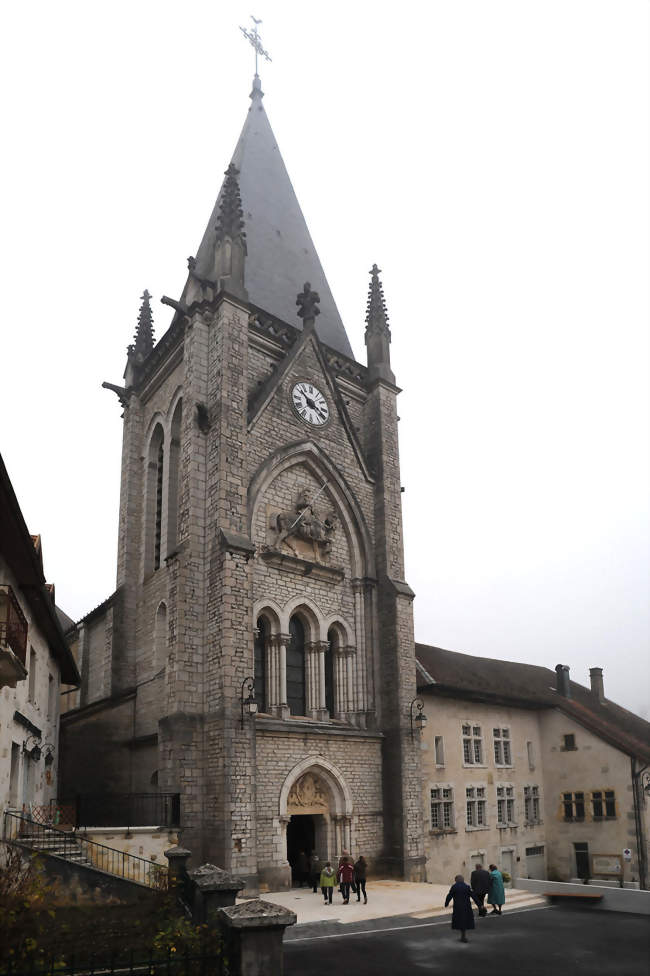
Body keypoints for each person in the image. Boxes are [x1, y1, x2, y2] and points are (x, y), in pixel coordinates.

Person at [445, 874, 480, 943]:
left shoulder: (454, 887)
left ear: (456, 880)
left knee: (460, 920)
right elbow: (473, 896)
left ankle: (463, 936)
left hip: (458, 907)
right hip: (466, 906)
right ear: (463, 880)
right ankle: (463, 935)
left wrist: (446, 903)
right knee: (465, 920)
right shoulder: (467, 887)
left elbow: (449, 895)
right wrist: (479, 905)